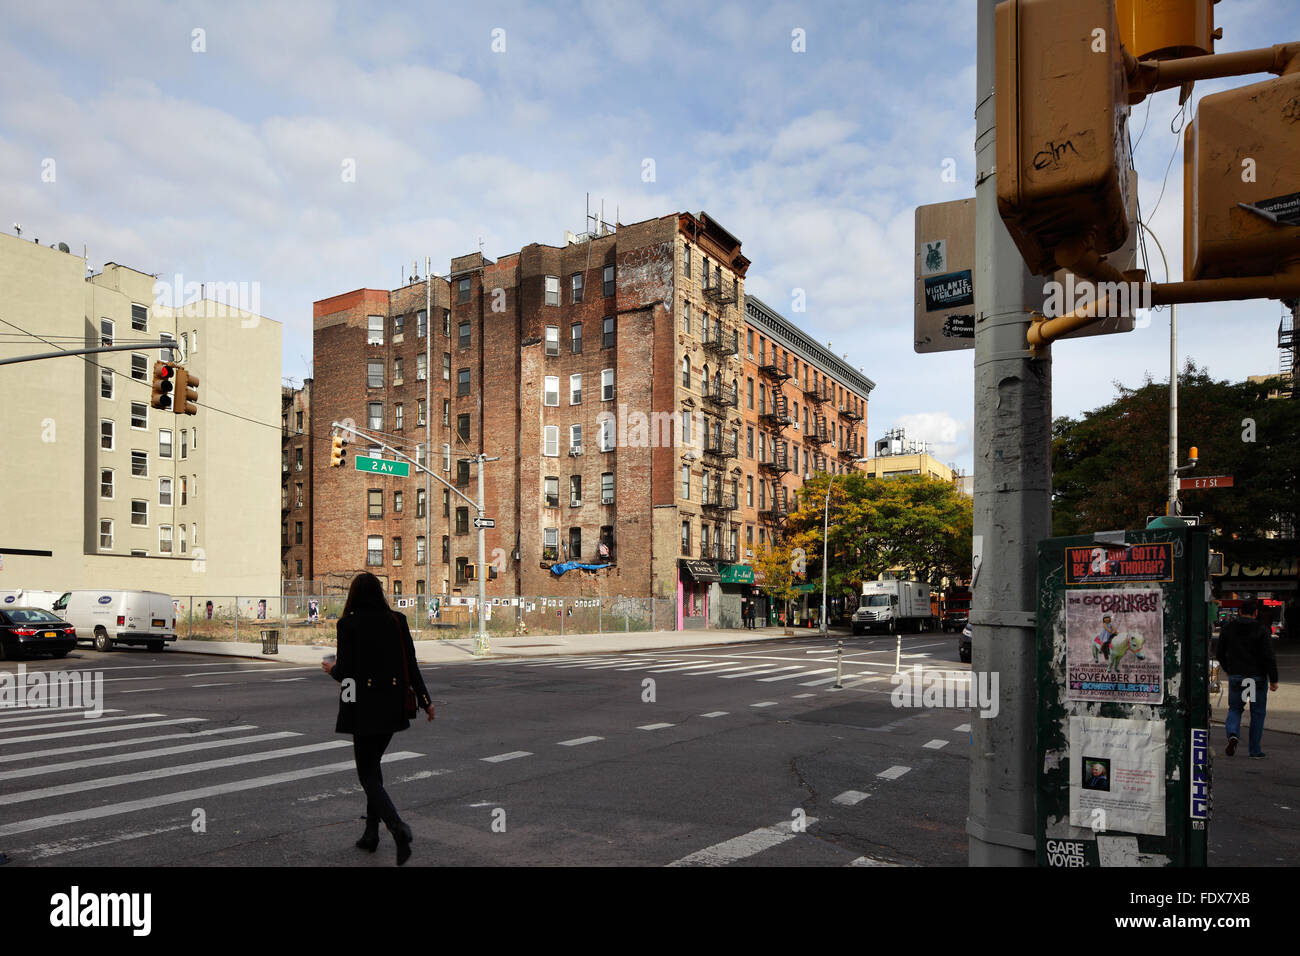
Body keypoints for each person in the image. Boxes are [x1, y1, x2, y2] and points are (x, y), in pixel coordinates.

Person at [322, 572, 435, 864]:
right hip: (393, 706)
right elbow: (410, 663)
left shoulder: (347, 624)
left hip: (363, 708)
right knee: (374, 767)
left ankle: (397, 827)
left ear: (354, 595)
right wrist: (425, 701)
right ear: (380, 592)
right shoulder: (397, 621)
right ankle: (371, 833)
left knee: (367, 774)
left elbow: (346, 672)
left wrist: (331, 670)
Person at [1216, 597, 1279, 759]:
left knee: (1235, 709)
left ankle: (1232, 734)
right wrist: (1273, 679)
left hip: (1237, 676)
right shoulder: (1261, 629)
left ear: (1239, 612)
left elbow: (1219, 652)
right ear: (1256, 613)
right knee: (1257, 713)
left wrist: (1227, 669)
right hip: (1256, 678)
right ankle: (1255, 750)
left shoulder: (1228, 628)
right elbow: (1268, 656)